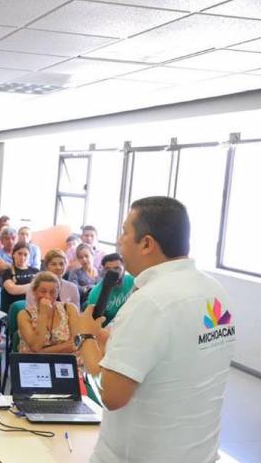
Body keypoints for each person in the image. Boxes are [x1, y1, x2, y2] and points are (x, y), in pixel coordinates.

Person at [72, 197, 236, 463]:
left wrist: (86, 336)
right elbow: (175, 356)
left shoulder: (150, 301)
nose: (119, 241)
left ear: (146, 243)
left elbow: (111, 395)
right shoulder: (215, 291)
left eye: (125, 232)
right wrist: (111, 341)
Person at [17, 271, 79, 354]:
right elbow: (35, 346)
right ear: (34, 292)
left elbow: (75, 343)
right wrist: (43, 314)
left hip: (65, 359)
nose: (47, 296)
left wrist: (42, 352)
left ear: (57, 293)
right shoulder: (24, 315)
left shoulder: (69, 309)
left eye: (52, 292)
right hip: (34, 361)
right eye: (43, 291)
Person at [84, 253, 135, 327]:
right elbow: (93, 322)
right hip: (109, 330)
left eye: (117, 268)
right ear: (103, 270)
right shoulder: (95, 293)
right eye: (108, 269)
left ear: (124, 268)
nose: (112, 272)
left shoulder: (133, 281)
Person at [1, 242, 39, 313]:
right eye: (19, 254)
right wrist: (35, 286)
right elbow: (12, 289)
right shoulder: (8, 272)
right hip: (14, 309)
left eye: (25, 255)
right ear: (13, 254)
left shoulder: (36, 271)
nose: (22, 257)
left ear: (29, 256)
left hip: (34, 308)